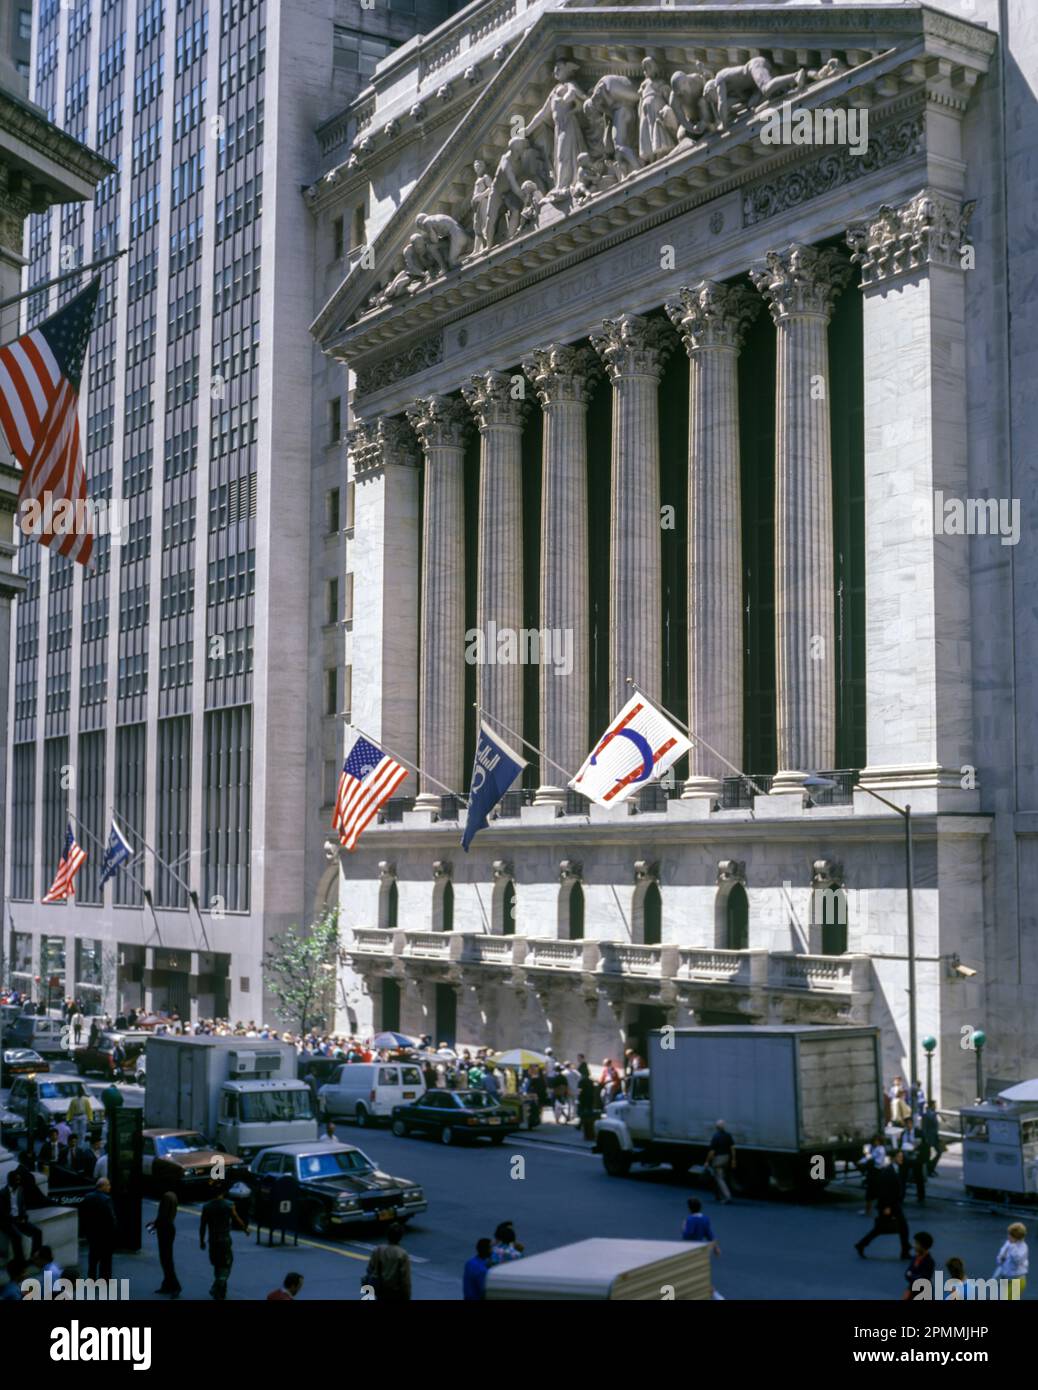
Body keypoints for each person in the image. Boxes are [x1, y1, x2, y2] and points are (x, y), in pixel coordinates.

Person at [199, 1182, 249, 1300]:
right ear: (223, 1193)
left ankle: (221, 1292)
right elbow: (237, 1219)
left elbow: (202, 1226)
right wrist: (245, 1229)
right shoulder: (229, 1205)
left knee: (217, 1265)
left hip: (213, 1240)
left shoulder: (207, 1207)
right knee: (226, 1264)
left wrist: (202, 1241)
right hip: (225, 1240)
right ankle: (217, 1286)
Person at [855, 1158, 911, 1261]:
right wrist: (887, 1206)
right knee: (893, 1227)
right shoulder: (888, 1172)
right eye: (899, 1156)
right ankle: (905, 1251)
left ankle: (905, 1250)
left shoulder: (894, 1169)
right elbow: (884, 1190)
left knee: (898, 1228)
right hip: (889, 1204)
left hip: (892, 1203)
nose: (901, 1158)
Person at [80, 1177, 118, 1280]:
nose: (110, 1187)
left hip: (92, 1233)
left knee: (93, 1257)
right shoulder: (107, 1200)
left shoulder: (87, 1197)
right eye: (108, 1185)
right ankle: (104, 1279)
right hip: (105, 1234)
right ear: (103, 1186)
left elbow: (83, 1216)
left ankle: (91, 1278)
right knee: (105, 1259)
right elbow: (112, 1218)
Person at [0, 1171, 42, 1261]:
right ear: (10, 1181)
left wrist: (24, 1217)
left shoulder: (20, 1190)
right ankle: (20, 1260)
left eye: (19, 1180)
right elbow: (2, 1213)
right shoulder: (2, 1193)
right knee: (17, 1236)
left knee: (38, 1232)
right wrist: (13, 1220)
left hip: (20, 1219)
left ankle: (34, 1257)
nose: (19, 1182)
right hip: (7, 1221)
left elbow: (22, 1207)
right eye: (16, 1180)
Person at [364, 1222, 411, 1302]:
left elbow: (370, 1269)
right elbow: (405, 1279)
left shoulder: (378, 1250)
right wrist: (407, 1296)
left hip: (380, 1288)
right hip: (395, 1291)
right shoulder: (402, 1254)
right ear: (400, 1237)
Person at [147, 1191, 181, 1298]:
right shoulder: (173, 1195)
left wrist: (154, 1224)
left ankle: (175, 1286)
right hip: (170, 1227)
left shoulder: (166, 1197)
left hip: (164, 1229)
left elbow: (162, 1215)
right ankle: (167, 1284)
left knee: (165, 1259)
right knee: (167, 1258)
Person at [993, 1222, 1028, 1300]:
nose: (1008, 1236)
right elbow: (999, 1259)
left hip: (1017, 1280)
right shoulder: (1008, 1243)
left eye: (1010, 1235)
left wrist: (1012, 1247)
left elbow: (1017, 1261)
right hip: (1006, 1278)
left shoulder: (1023, 1247)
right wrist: (1001, 1258)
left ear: (1016, 1237)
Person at [705, 1120, 735, 1203]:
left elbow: (712, 1151)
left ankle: (727, 1196)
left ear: (716, 1127)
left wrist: (707, 1161)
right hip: (727, 1158)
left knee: (719, 1178)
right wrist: (733, 1159)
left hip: (718, 1159)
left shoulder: (716, 1136)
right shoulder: (728, 1135)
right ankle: (718, 1195)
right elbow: (732, 1148)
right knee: (721, 1176)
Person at [903, 1231, 936, 1300]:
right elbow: (907, 1273)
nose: (914, 1245)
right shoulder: (915, 1258)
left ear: (922, 1246)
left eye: (916, 1243)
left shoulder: (929, 1262)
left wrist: (911, 1275)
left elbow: (923, 1279)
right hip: (912, 1290)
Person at [921, 1100, 943, 1175]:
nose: (935, 1106)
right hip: (929, 1137)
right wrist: (925, 1138)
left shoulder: (934, 1114)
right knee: (929, 1154)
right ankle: (929, 1169)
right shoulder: (927, 1114)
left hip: (935, 1136)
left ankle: (931, 1167)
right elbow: (924, 1128)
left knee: (939, 1152)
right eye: (934, 1105)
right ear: (931, 1105)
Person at [577, 1071, 598, 1141]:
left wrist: (578, 1098)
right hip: (590, 1099)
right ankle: (581, 1125)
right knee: (589, 1113)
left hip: (583, 1099)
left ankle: (581, 1125)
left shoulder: (581, 1081)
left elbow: (579, 1090)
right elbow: (594, 1090)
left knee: (582, 1112)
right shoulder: (591, 1081)